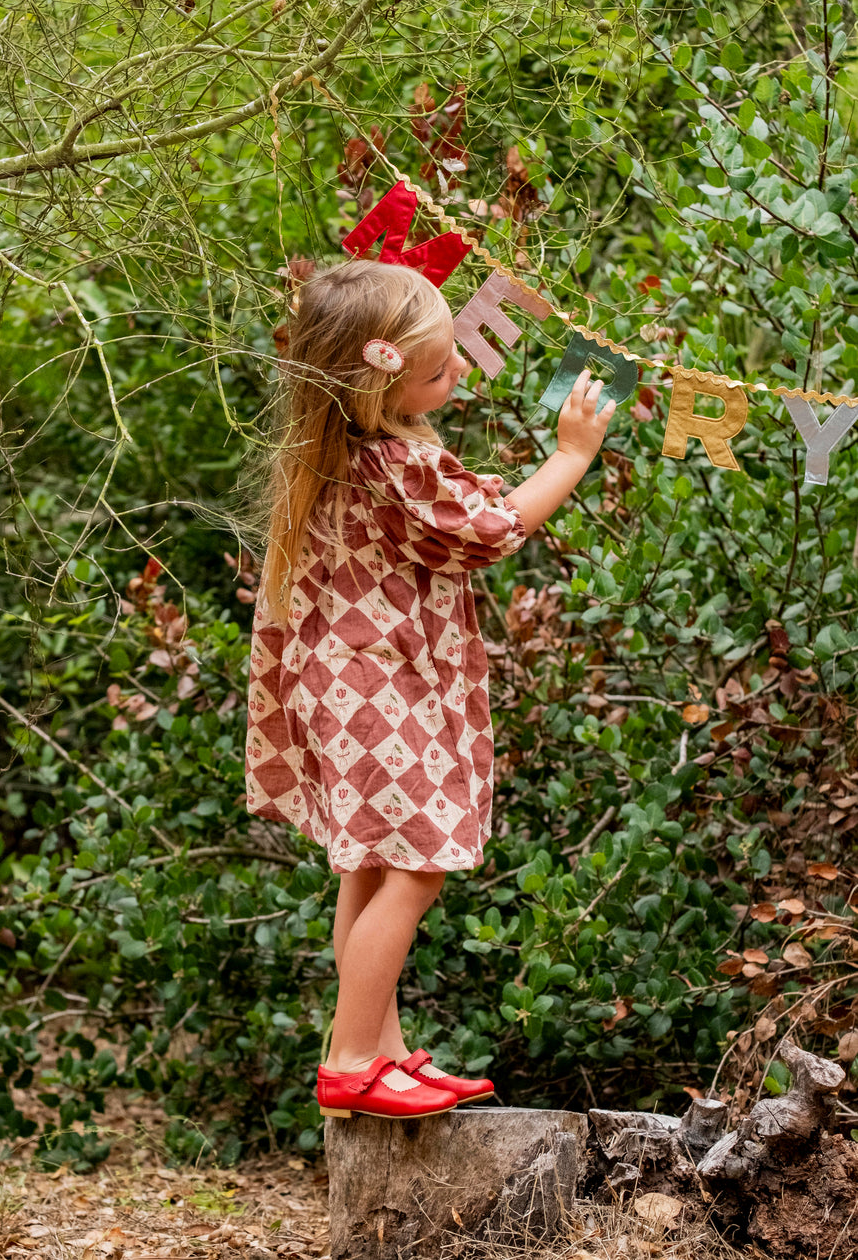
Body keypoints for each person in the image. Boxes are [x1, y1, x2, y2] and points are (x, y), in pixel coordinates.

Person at [245, 258, 614, 1120]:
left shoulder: (345, 448)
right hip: (378, 690)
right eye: (440, 370)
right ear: (379, 380)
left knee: (373, 865)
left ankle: (378, 1053)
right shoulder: (391, 463)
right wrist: (572, 454)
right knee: (417, 866)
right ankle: (348, 1062)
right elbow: (493, 530)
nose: (458, 377)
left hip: (351, 687)